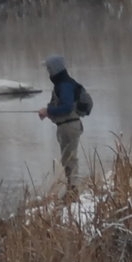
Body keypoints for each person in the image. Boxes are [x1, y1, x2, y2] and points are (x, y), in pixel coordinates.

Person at [37, 54, 91, 188]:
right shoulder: (63, 84)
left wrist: (49, 111)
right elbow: (64, 107)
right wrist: (49, 113)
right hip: (68, 126)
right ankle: (71, 188)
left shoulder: (65, 85)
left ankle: (73, 190)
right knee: (68, 159)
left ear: (55, 69)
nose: (48, 71)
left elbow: (67, 107)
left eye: (49, 68)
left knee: (70, 159)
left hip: (69, 126)